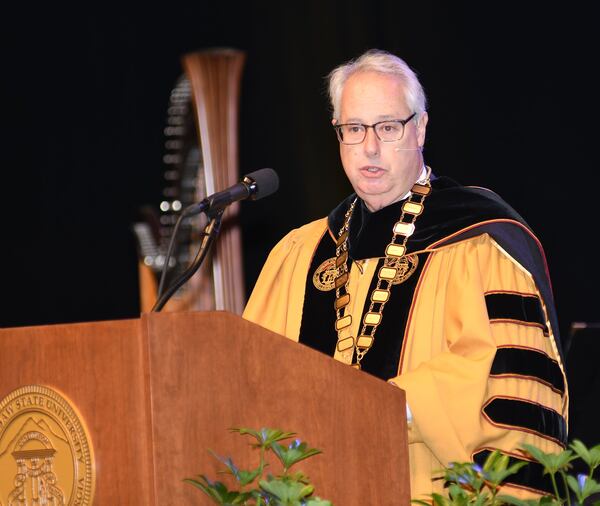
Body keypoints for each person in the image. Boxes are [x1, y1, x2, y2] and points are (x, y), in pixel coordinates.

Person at [243, 49, 567, 500]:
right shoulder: (299, 253)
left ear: (420, 128)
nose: (370, 147)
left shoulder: (478, 241)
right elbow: (250, 380)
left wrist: (386, 405)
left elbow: (505, 380)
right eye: (354, 129)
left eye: (388, 127)